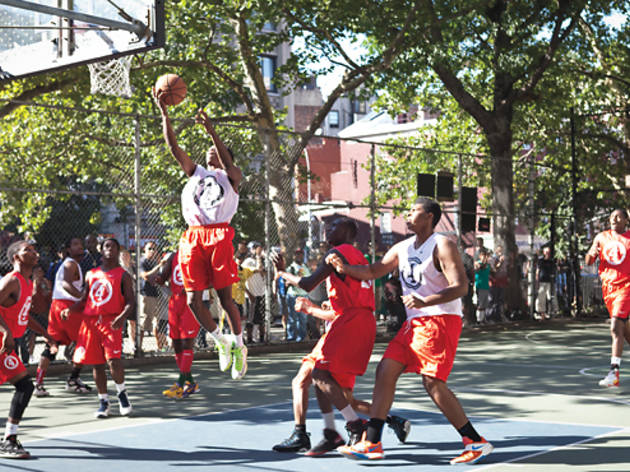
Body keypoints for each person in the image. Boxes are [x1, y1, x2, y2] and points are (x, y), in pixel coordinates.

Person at [329, 197, 493, 464]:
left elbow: (461, 286)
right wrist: (345, 268)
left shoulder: (443, 244)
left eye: (415, 210)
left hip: (439, 319)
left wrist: (425, 301)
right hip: (414, 323)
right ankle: (371, 442)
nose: (409, 214)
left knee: (432, 383)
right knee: (385, 370)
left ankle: (475, 441)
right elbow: (373, 270)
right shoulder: (402, 248)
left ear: (429, 217)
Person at [154, 89, 247, 379]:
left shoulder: (232, 177)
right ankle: (222, 342)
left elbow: (227, 161)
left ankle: (240, 346)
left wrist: (211, 132)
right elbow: (173, 149)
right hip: (193, 237)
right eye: (209, 153)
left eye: (216, 153)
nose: (210, 154)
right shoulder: (195, 173)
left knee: (225, 299)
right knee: (194, 300)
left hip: (219, 236)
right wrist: (164, 113)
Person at [274, 217, 376, 456]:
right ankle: (332, 432)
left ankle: (356, 424)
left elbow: (308, 283)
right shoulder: (361, 258)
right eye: (328, 226)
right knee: (321, 375)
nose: (329, 230)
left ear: (348, 232)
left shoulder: (337, 253)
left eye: (335, 226)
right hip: (360, 321)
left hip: (349, 321)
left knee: (320, 375)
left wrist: (282, 273)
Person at [272, 297, 411, 453]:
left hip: (341, 339)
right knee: (343, 399)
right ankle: (390, 420)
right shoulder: (341, 280)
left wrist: (310, 308)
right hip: (335, 339)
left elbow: (340, 314)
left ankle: (304, 434)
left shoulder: (345, 275)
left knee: (308, 382)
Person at [64, 238, 135, 418]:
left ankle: (122, 393)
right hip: (90, 323)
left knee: (114, 360)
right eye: (106, 246)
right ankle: (103, 401)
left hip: (112, 322)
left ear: (118, 251)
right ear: (101, 250)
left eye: (113, 247)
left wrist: (122, 317)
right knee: (97, 364)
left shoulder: (123, 275)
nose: (109, 249)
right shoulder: (91, 274)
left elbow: (131, 301)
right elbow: (84, 299)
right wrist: (70, 310)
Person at [0, 241, 56, 458]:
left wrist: (46, 333)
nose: (34, 253)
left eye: (35, 249)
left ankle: (9, 439)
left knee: (24, 386)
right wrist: (6, 332)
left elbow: (23, 314)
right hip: (3, 341)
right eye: (28, 250)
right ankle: (9, 440)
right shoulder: (12, 280)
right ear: (16, 257)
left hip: (6, 342)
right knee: (24, 385)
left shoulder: (26, 282)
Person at [34, 237, 92, 397]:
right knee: (84, 342)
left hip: (57, 306)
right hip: (68, 307)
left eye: (81, 244)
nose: (80, 247)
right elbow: (65, 284)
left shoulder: (70, 263)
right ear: (68, 249)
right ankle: (73, 380)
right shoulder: (70, 263)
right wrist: (82, 297)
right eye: (75, 244)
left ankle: (38, 384)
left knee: (52, 345)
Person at [585, 209, 630, 387]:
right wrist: (591, 253)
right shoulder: (601, 237)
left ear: (626, 220)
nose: (613, 219)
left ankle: (614, 371)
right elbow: (588, 261)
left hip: (626, 287)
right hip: (609, 289)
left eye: (618, 216)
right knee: (624, 330)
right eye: (611, 216)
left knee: (615, 327)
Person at [158, 249, 201, 399]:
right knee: (176, 344)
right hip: (174, 301)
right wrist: (157, 273)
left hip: (190, 302)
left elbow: (206, 281)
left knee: (186, 343)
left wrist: (193, 289)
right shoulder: (173, 257)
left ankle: (180, 385)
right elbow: (161, 279)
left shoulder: (198, 258)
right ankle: (191, 383)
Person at [139, 242, 164, 352]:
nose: (152, 251)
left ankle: (160, 347)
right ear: (145, 250)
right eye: (150, 249)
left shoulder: (155, 262)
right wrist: (159, 266)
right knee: (144, 322)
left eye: (154, 249)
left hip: (157, 294)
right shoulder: (142, 261)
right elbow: (146, 276)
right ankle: (138, 347)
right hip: (146, 295)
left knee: (157, 322)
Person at [242, 242, 266, 344]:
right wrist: (258, 257)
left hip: (261, 292)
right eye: (256, 248)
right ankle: (249, 338)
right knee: (250, 318)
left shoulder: (263, 260)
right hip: (251, 294)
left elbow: (264, 272)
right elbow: (258, 270)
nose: (258, 250)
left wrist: (260, 259)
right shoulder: (248, 261)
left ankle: (261, 338)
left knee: (261, 318)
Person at [284, 248, 310, 342]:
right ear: (294, 256)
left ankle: (301, 338)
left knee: (303, 318)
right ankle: (291, 337)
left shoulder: (305, 267)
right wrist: (296, 280)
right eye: (297, 254)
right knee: (292, 318)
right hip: (293, 295)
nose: (299, 256)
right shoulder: (291, 268)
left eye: (301, 254)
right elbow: (287, 282)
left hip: (304, 295)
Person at [536, 246, 556, 320]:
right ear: (544, 252)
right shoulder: (540, 261)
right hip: (542, 281)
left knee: (550, 298)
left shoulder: (552, 261)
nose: (548, 253)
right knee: (541, 297)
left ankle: (551, 312)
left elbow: (554, 271)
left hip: (550, 282)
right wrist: (537, 281)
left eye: (549, 252)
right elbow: (537, 271)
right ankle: (542, 313)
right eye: (546, 252)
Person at [474, 248, 491, 324]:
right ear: (480, 256)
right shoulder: (478, 263)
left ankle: (483, 319)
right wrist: (485, 262)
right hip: (480, 286)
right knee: (480, 304)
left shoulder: (488, 265)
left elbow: (493, 271)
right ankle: (479, 320)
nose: (485, 257)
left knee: (485, 304)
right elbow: (480, 268)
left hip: (486, 286)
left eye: (486, 255)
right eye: (483, 255)